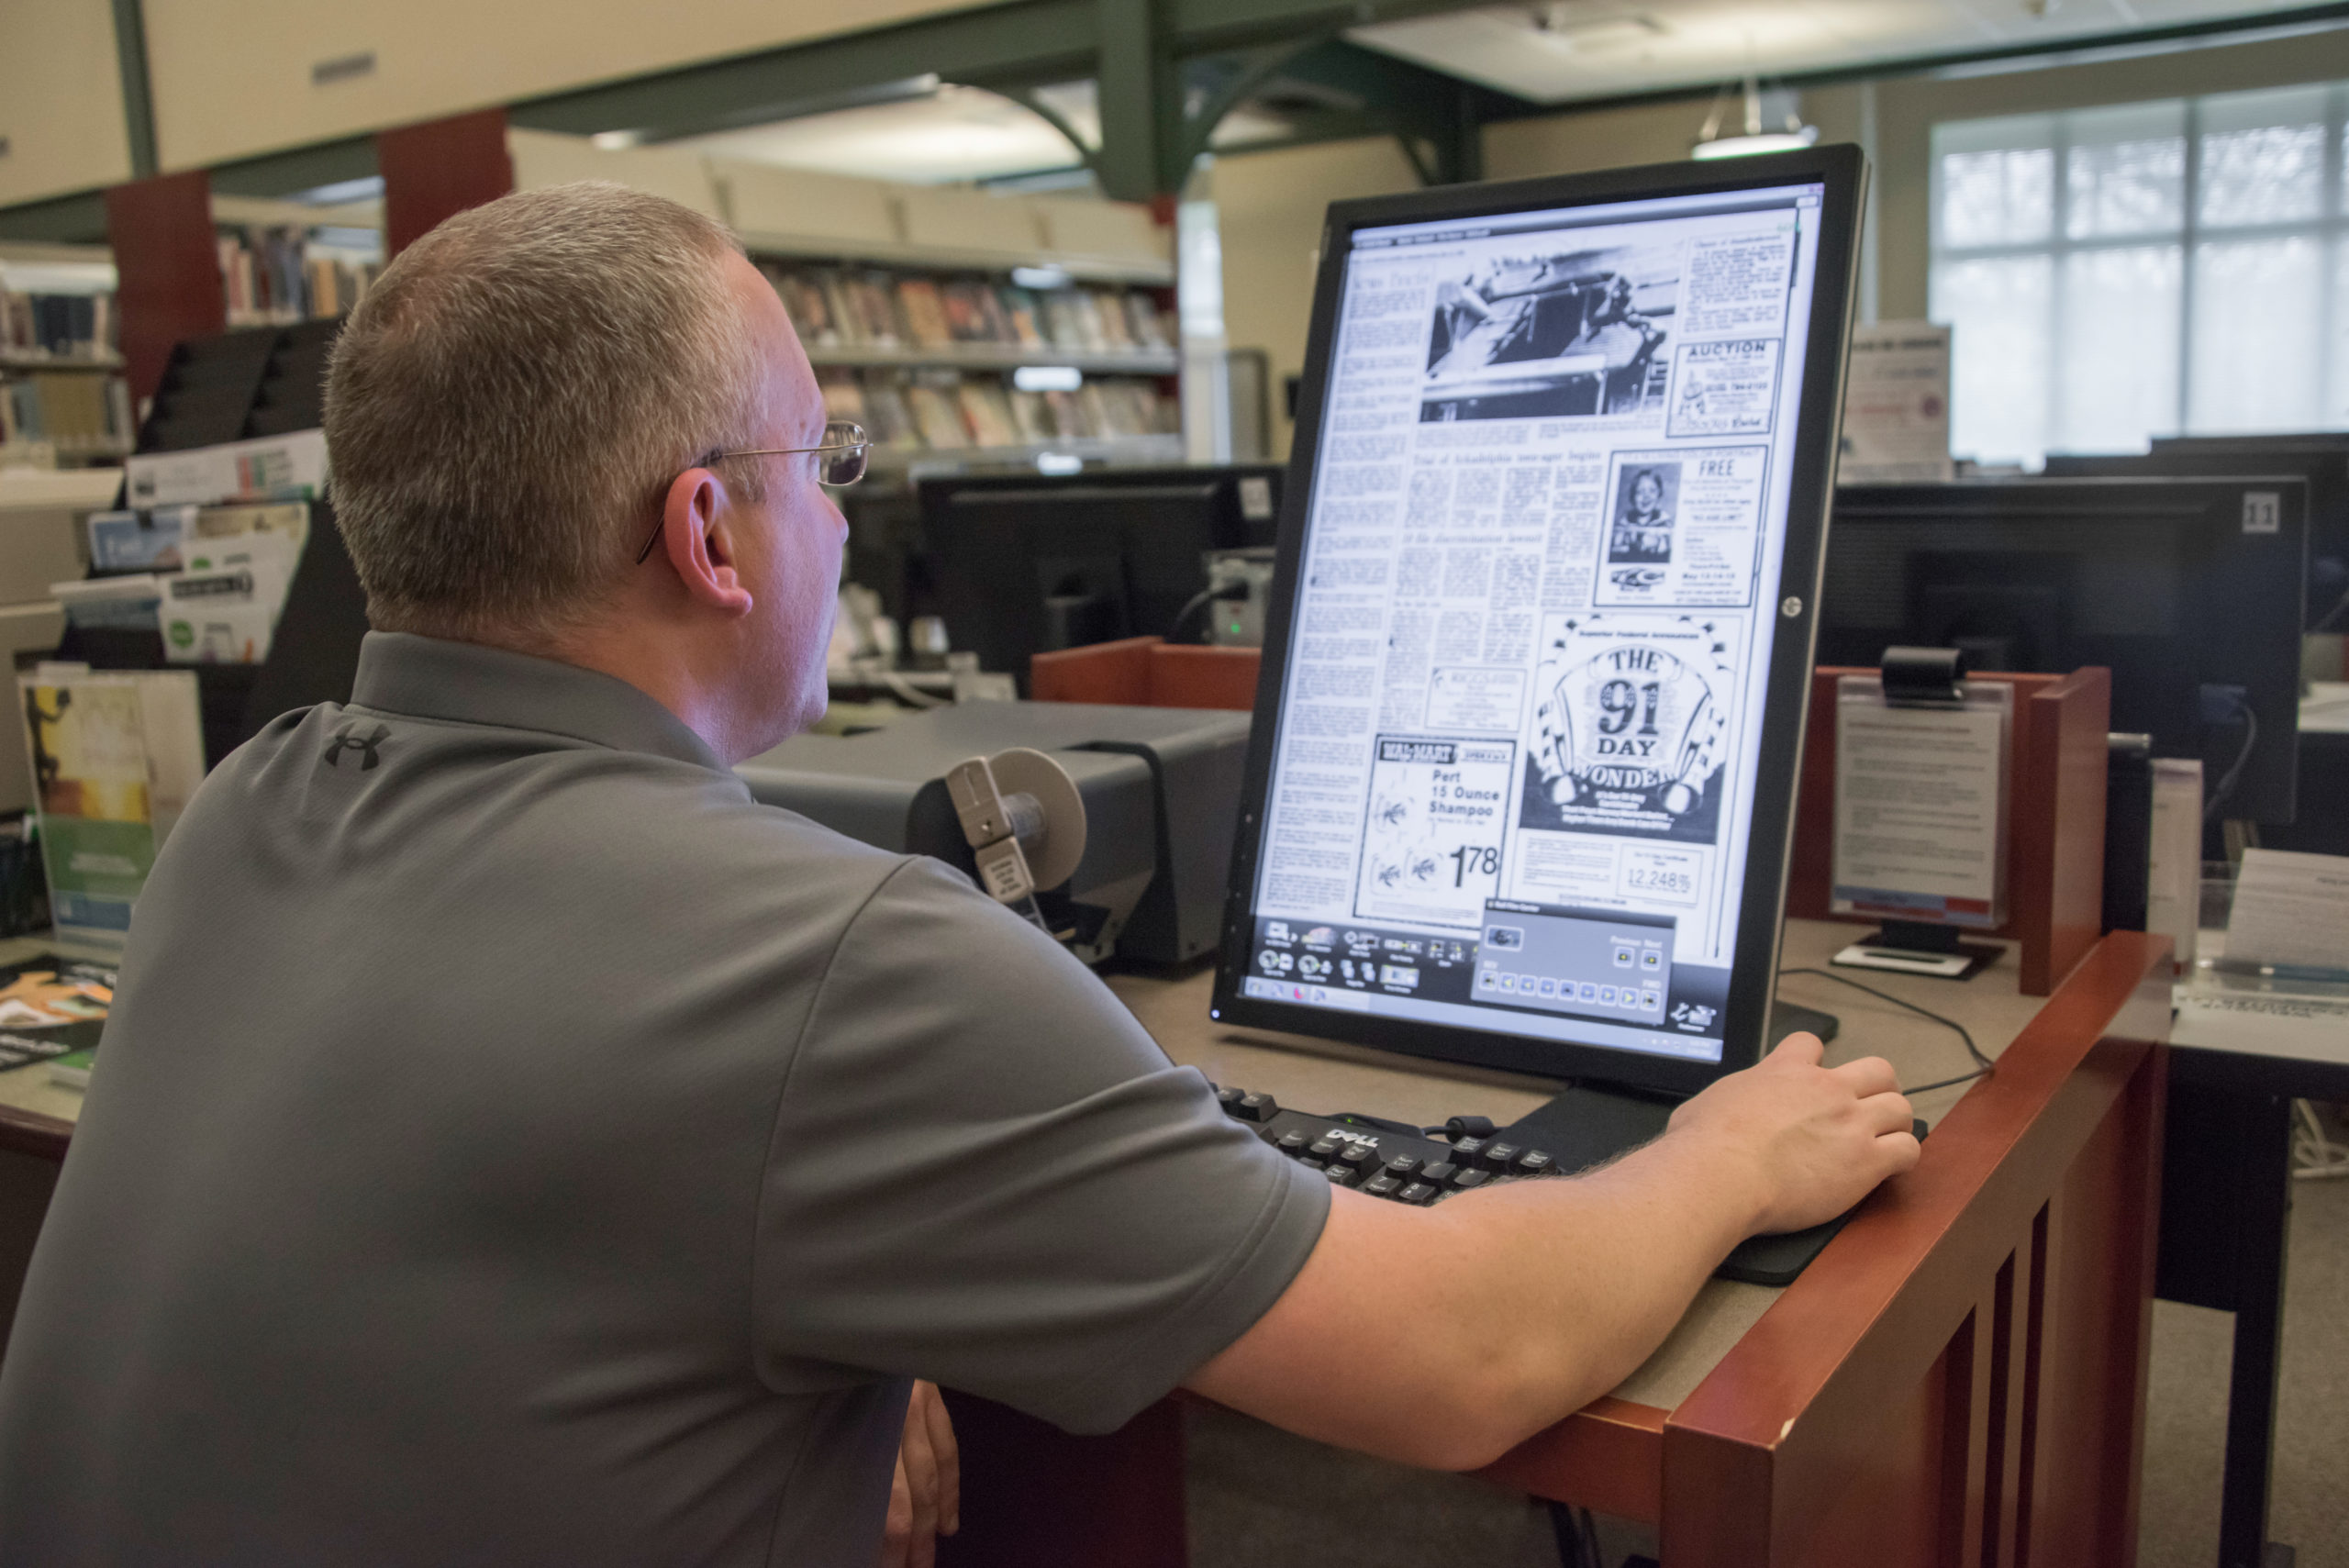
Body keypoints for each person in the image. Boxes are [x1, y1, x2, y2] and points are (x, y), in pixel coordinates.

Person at [0, 183, 1918, 1567]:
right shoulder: (836, 968)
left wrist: (859, 1310)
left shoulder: (241, 812)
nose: (843, 511)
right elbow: (1463, 1359)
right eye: (820, 456)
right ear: (709, 533)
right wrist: (1725, 1155)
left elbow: (540, 1229)